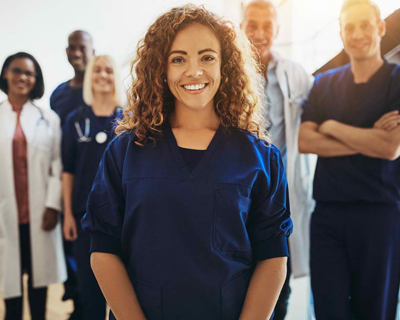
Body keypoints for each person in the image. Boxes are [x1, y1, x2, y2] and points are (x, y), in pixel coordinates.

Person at [82, 4, 292, 320]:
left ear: (226, 66)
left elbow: (273, 257)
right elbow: (103, 249)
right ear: (160, 70)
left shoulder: (261, 157)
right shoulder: (125, 152)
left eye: (207, 57)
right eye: (178, 59)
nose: (194, 71)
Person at [299, 1, 400, 319]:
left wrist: (331, 127)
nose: (358, 34)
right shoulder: (325, 84)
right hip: (328, 218)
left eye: (365, 25)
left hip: (380, 217)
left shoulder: (396, 80)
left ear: (380, 27)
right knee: (328, 312)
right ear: (341, 33)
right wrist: (368, 137)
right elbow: (304, 140)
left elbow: (390, 147)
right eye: (349, 27)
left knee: (375, 313)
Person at [241, 1, 316, 318]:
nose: (259, 33)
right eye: (252, 25)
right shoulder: (226, 71)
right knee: (239, 276)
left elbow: (318, 118)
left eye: (267, 26)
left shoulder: (294, 74)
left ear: (277, 29)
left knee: (277, 283)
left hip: (279, 197)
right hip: (239, 193)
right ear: (241, 25)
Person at [0, 52, 67, 319]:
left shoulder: (48, 118)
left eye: (29, 73)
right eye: (17, 71)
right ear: (6, 74)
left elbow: (57, 165)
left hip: (39, 215)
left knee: (39, 287)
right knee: (10, 289)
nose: (23, 77)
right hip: (6, 218)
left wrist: (52, 205)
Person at [62, 55, 123, 320]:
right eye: (97, 70)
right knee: (89, 293)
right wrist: (67, 214)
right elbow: (68, 171)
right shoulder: (75, 120)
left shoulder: (128, 120)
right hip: (84, 216)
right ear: (89, 77)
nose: (103, 75)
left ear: (116, 77)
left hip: (123, 217)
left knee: (123, 295)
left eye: (109, 70)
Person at [50, 29, 95, 319]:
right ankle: (77, 304)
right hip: (67, 181)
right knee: (70, 249)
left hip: (96, 184)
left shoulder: (103, 92)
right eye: (71, 47)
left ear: (93, 50)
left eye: (81, 47)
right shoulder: (59, 95)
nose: (75, 52)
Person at [50, 30, 95, 125]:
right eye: (72, 48)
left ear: (93, 52)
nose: (76, 54)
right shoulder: (58, 93)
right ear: (67, 51)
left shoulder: (103, 90)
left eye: (82, 48)